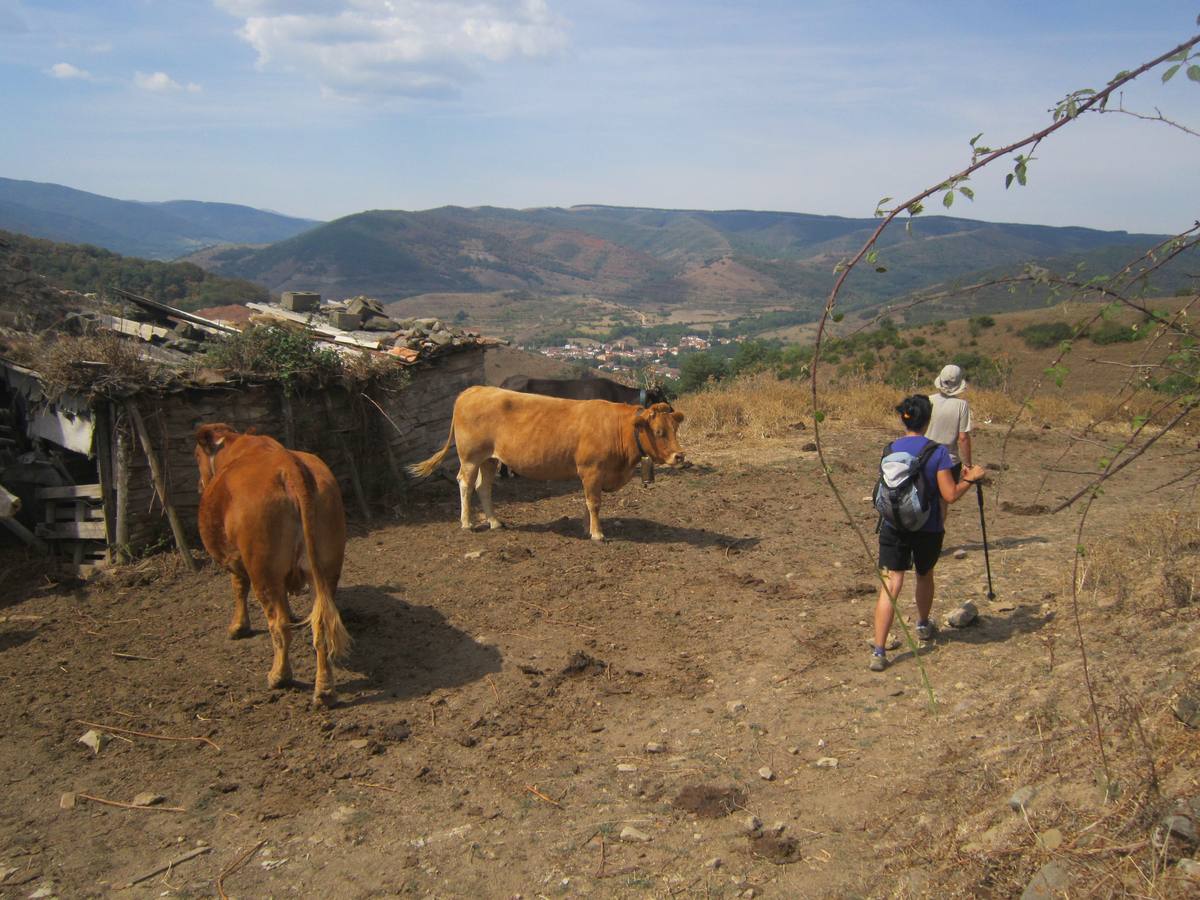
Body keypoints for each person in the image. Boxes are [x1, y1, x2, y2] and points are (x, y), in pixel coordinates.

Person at [870, 394, 985, 672]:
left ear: (903, 418)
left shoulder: (889, 449)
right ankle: (922, 625)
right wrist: (970, 479)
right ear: (928, 419)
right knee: (924, 575)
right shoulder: (938, 453)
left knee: (891, 584)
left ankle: (879, 651)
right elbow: (950, 494)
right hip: (928, 527)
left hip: (893, 525)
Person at [926, 364, 972, 481]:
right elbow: (963, 438)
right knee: (947, 497)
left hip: (925, 457)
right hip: (949, 461)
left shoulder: (927, 400)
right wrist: (968, 464)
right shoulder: (962, 405)